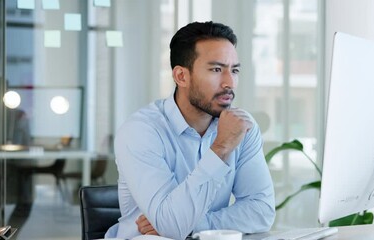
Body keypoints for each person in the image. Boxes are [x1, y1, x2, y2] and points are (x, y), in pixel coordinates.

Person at [106, 21, 275, 240]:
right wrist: (221, 147)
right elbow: (170, 227)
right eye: (216, 69)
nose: (229, 82)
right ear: (181, 76)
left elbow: (262, 212)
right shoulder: (141, 131)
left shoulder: (242, 126)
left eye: (234, 70)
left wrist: (196, 226)